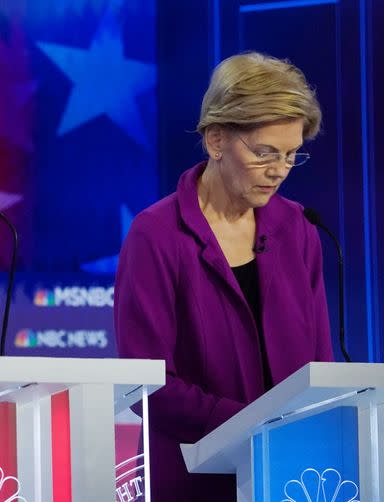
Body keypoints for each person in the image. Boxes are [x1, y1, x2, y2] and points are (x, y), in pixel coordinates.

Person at [114, 52, 334, 501]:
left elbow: (320, 365)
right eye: (264, 153)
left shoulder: (299, 228)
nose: (278, 171)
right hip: (192, 480)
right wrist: (256, 425)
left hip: (292, 476)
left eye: (292, 155)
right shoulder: (156, 234)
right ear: (216, 140)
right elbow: (148, 385)